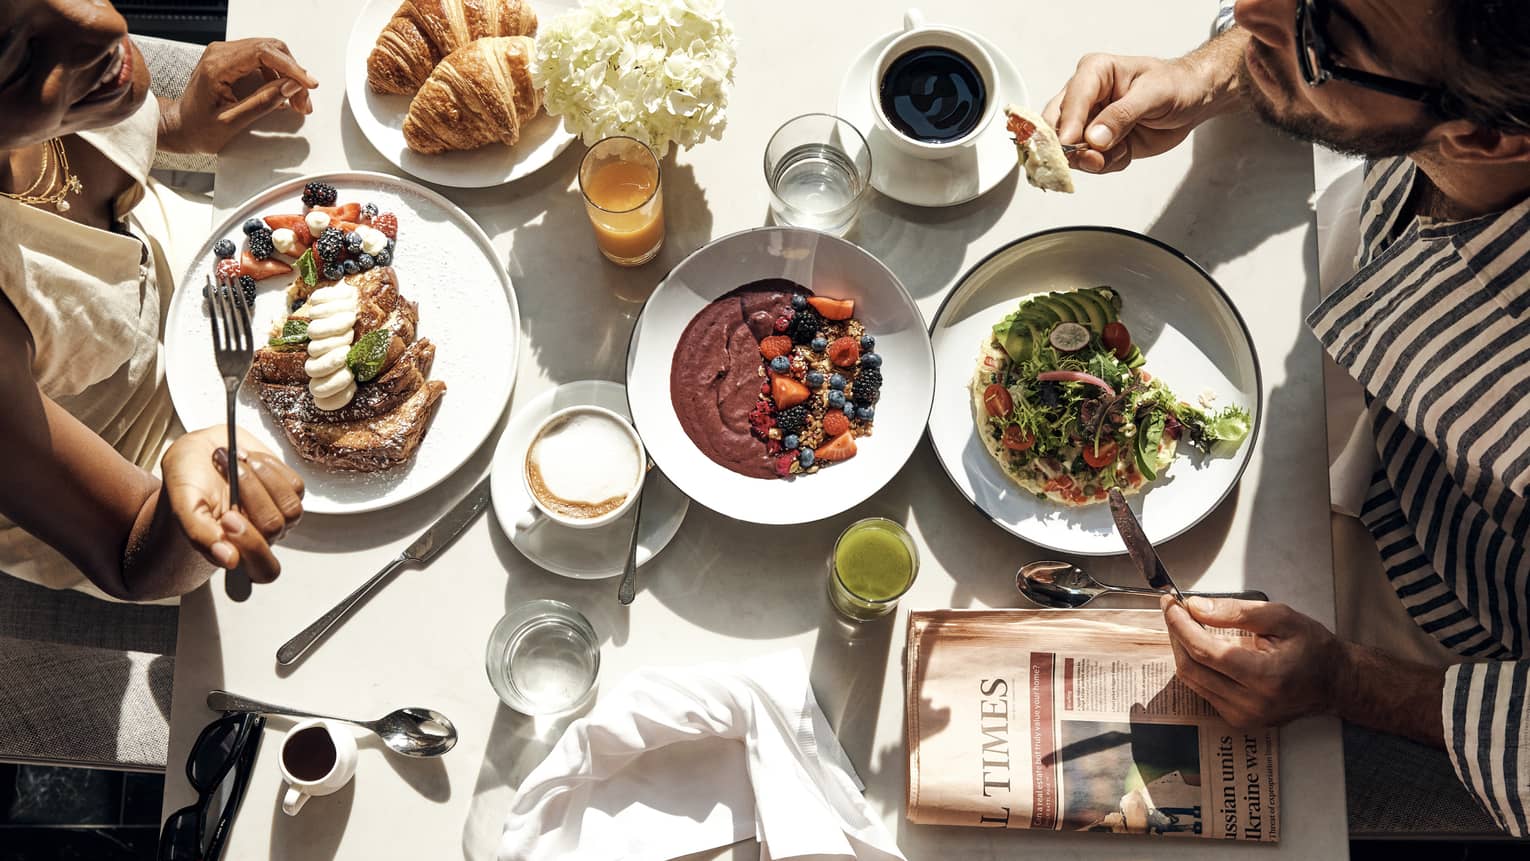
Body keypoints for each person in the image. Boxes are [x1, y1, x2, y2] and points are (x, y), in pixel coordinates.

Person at [1045, 0, 1530, 834]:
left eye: (1326, 33)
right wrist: (1216, 73)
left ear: (1485, 135)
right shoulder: (1460, 82)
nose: (1243, 8)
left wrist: (1349, 682)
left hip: (1448, 640)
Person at [0, 0, 317, 601]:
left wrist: (178, 125)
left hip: (199, 277)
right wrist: (186, 503)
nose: (105, 24)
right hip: (153, 468)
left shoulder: (76, 80)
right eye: (17, 55)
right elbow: (130, 558)